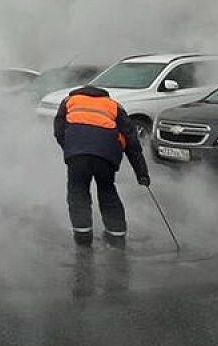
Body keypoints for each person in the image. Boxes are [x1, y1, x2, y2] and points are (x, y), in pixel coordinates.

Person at [53, 85, 151, 249]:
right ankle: (116, 237)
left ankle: (83, 238)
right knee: (107, 191)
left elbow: (58, 131)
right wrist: (142, 174)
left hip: (77, 156)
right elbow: (132, 142)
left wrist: (71, 149)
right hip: (106, 156)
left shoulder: (69, 101)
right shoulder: (113, 105)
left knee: (78, 193)